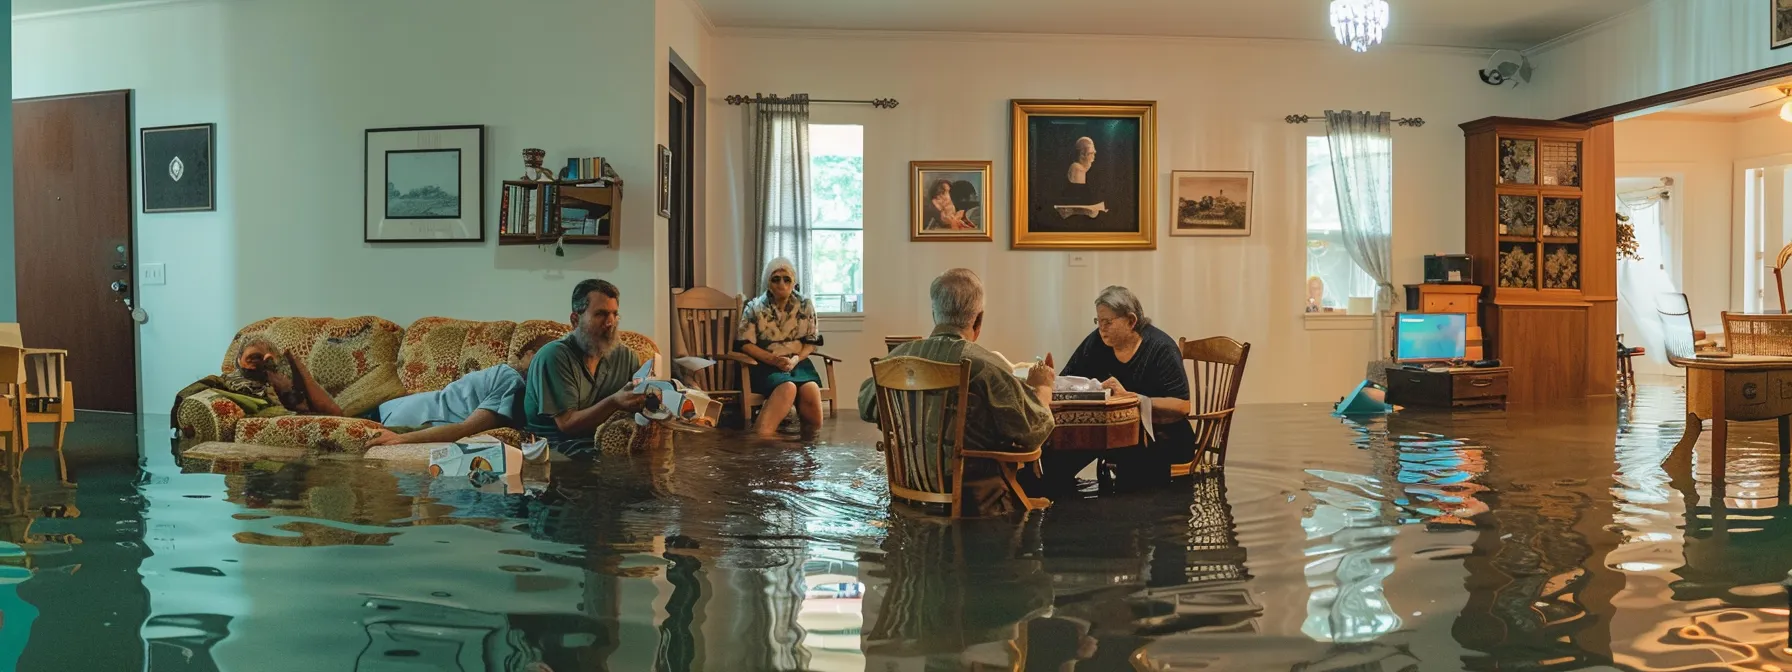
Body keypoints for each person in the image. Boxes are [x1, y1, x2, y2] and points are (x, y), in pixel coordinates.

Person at [858, 268, 1056, 516]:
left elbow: (865, 406)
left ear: (934, 314)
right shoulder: (985, 367)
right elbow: (1035, 432)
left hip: (907, 494)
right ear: (978, 319)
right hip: (975, 502)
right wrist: (1043, 387)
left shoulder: (896, 360)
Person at [1059, 285, 1194, 488]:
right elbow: (1068, 379)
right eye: (1098, 321)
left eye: (1108, 322)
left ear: (1131, 321)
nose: (1101, 328)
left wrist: (1132, 398)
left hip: (1162, 436)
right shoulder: (1096, 342)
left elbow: (1182, 406)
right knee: (1059, 453)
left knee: (1131, 468)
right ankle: (1051, 500)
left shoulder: (1160, 348)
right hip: (1112, 432)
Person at [522, 279, 648, 457]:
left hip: (599, 446)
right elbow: (567, 424)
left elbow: (638, 402)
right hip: (554, 451)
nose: (610, 322)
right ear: (575, 320)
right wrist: (614, 401)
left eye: (614, 314)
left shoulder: (626, 357)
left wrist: (652, 397)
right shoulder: (554, 356)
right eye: (601, 314)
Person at [363, 334, 558, 447]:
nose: (547, 366)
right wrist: (400, 440)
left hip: (393, 408)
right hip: (401, 419)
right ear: (528, 354)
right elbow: (466, 428)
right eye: (544, 357)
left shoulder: (508, 379)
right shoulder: (513, 380)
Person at [737, 257, 826, 439]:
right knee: (788, 387)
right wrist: (774, 360)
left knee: (811, 389)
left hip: (798, 362)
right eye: (775, 279)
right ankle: (763, 439)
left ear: (794, 282)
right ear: (768, 282)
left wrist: (794, 360)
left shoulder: (805, 305)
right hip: (765, 363)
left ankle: (809, 445)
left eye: (787, 279)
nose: (782, 284)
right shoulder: (754, 307)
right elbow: (744, 344)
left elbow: (811, 343)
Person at [225, 337, 343, 416]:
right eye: (255, 358)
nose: (262, 364)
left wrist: (295, 369)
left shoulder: (283, 386)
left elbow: (335, 414)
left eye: (269, 361)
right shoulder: (227, 383)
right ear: (239, 360)